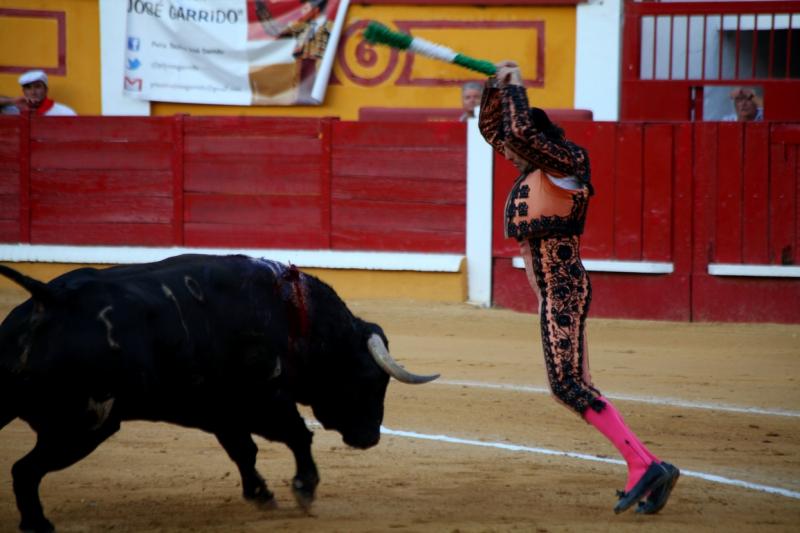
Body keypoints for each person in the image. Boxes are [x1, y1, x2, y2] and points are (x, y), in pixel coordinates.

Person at [478, 60, 679, 515]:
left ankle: (641, 465)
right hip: (555, 292)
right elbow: (497, 133)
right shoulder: (539, 169)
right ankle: (649, 466)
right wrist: (496, 84)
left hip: (563, 291)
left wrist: (518, 88)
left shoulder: (567, 163)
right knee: (574, 384)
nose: (507, 154)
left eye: (516, 146)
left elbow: (521, 133)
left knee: (567, 385)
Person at [0, 70, 76, 116]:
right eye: (28, 88)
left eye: (37, 87)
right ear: (23, 92)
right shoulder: (14, 110)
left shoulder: (64, 112)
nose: (33, 92)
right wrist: (12, 100)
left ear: (46, 90)